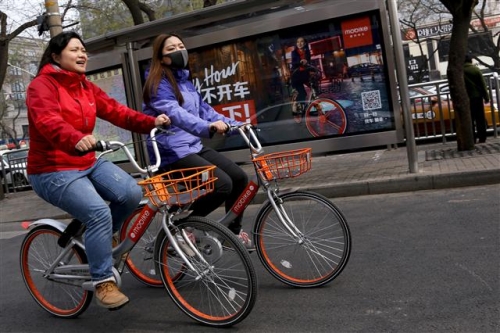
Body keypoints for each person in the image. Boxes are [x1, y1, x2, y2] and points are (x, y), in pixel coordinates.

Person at [26, 31, 170, 310]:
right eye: (74, 50)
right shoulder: (40, 86)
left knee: (130, 193)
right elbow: (47, 120)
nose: (82, 55)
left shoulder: (85, 87)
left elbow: (118, 111)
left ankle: (103, 236)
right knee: (98, 213)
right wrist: (73, 138)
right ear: (56, 56)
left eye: (83, 50)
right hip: (52, 169)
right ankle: (103, 281)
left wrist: (152, 121)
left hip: (86, 160)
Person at [141, 33, 252, 248]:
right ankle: (182, 227)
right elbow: (175, 113)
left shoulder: (185, 82)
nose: (178, 51)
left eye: (181, 45)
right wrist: (206, 128)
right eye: (171, 48)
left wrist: (238, 125)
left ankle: (231, 233)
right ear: (161, 58)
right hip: (172, 152)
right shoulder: (157, 83)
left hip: (192, 147)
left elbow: (206, 111)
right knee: (222, 184)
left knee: (239, 178)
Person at [464, 55, 490, 143]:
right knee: (480, 119)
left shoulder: (460, 71)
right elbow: (483, 84)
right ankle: (482, 138)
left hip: (466, 99)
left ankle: (472, 138)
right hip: (477, 97)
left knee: (469, 119)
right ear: (470, 61)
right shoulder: (475, 69)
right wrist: (486, 97)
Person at [290, 37, 312, 114]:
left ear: (305, 43)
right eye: (298, 42)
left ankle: (308, 106)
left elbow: (309, 62)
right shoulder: (294, 52)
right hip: (296, 76)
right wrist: (300, 61)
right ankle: (295, 103)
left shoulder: (307, 52)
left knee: (314, 88)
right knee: (303, 93)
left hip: (305, 75)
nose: (299, 43)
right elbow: (294, 63)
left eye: (301, 41)